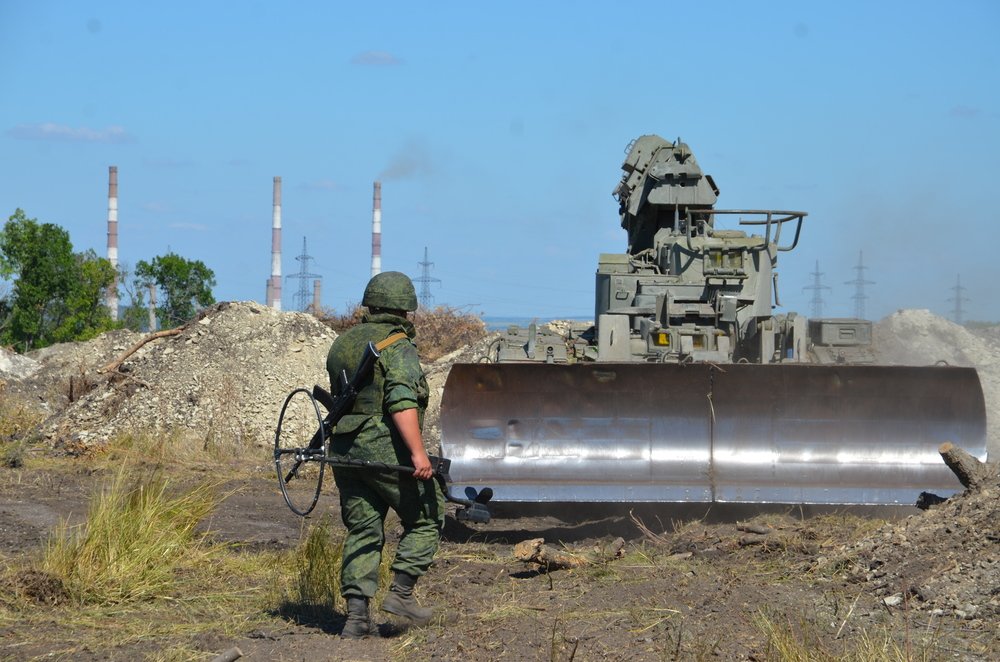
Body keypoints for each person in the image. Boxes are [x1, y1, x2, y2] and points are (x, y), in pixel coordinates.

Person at [325, 271, 444, 639]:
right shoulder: (397, 345)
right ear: (407, 310)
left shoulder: (342, 343)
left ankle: (356, 619)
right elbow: (401, 401)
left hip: (345, 450)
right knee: (427, 515)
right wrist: (419, 454)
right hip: (385, 448)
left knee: (363, 528)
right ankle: (402, 595)